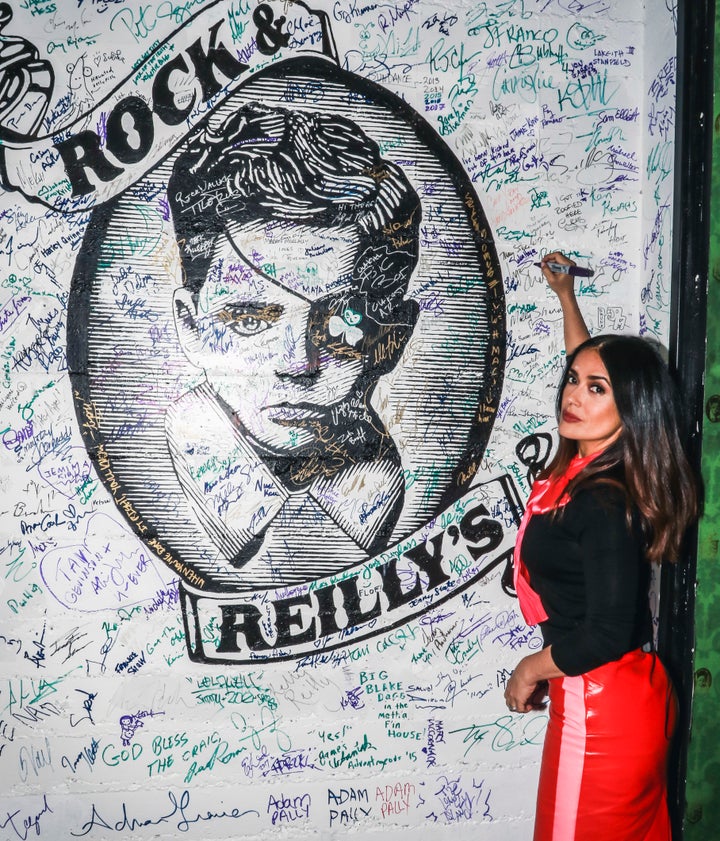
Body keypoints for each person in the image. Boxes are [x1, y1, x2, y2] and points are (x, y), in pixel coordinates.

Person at [164, 102, 421, 584]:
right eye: (248, 319)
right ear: (190, 328)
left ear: (394, 339)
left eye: (342, 322)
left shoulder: (378, 493)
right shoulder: (171, 490)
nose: (298, 364)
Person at [505, 251, 698, 840]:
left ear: (630, 408)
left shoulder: (602, 501)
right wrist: (566, 298)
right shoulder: (588, 468)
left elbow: (606, 632)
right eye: (571, 382)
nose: (573, 395)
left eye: (595, 390)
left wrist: (527, 670)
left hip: (601, 703)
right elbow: (590, 363)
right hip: (615, 695)